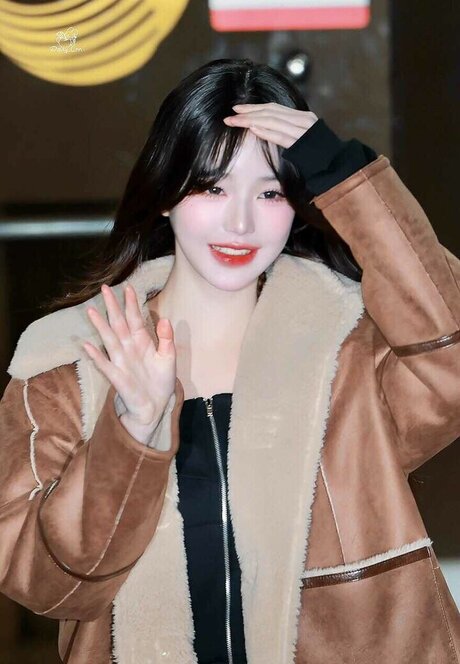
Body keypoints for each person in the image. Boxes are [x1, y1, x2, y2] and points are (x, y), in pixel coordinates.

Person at [0, 57, 459, 664]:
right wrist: (132, 431)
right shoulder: (64, 363)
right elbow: (44, 583)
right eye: (212, 187)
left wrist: (345, 175)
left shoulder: (349, 349)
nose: (240, 222)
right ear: (165, 194)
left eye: (271, 193)